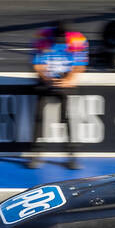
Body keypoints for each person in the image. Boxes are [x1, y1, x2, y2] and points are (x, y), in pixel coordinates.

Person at [29, 20, 88, 170]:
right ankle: (36, 154)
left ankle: (71, 155)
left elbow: (80, 66)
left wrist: (68, 79)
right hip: (46, 78)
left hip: (65, 78)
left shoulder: (78, 39)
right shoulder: (42, 37)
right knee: (38, 116)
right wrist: (47, 78)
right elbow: (37, 64)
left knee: (67, 116)